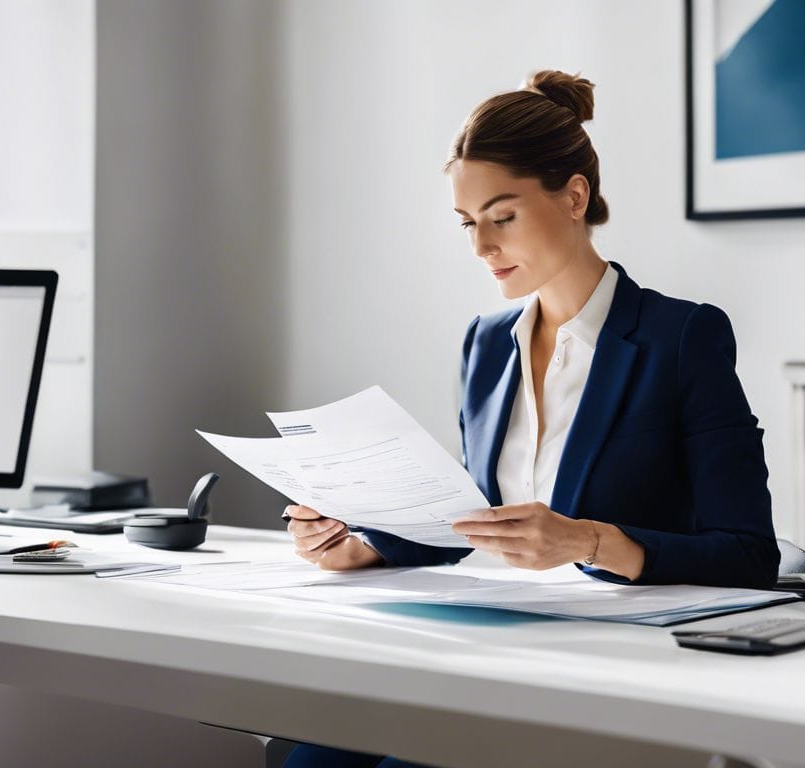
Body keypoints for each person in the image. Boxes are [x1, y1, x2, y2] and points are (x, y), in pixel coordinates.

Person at [281, 70, 778, 768]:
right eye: (466, 223)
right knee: (311, 758)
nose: (480, 247)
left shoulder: (680, 338)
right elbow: (482, 523)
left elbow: (751, 555)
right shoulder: (487, 342)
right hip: (487, 644)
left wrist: (589, 541)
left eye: (501, 216)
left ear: (573, 196)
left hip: (606, 670)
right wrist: (368, 543)